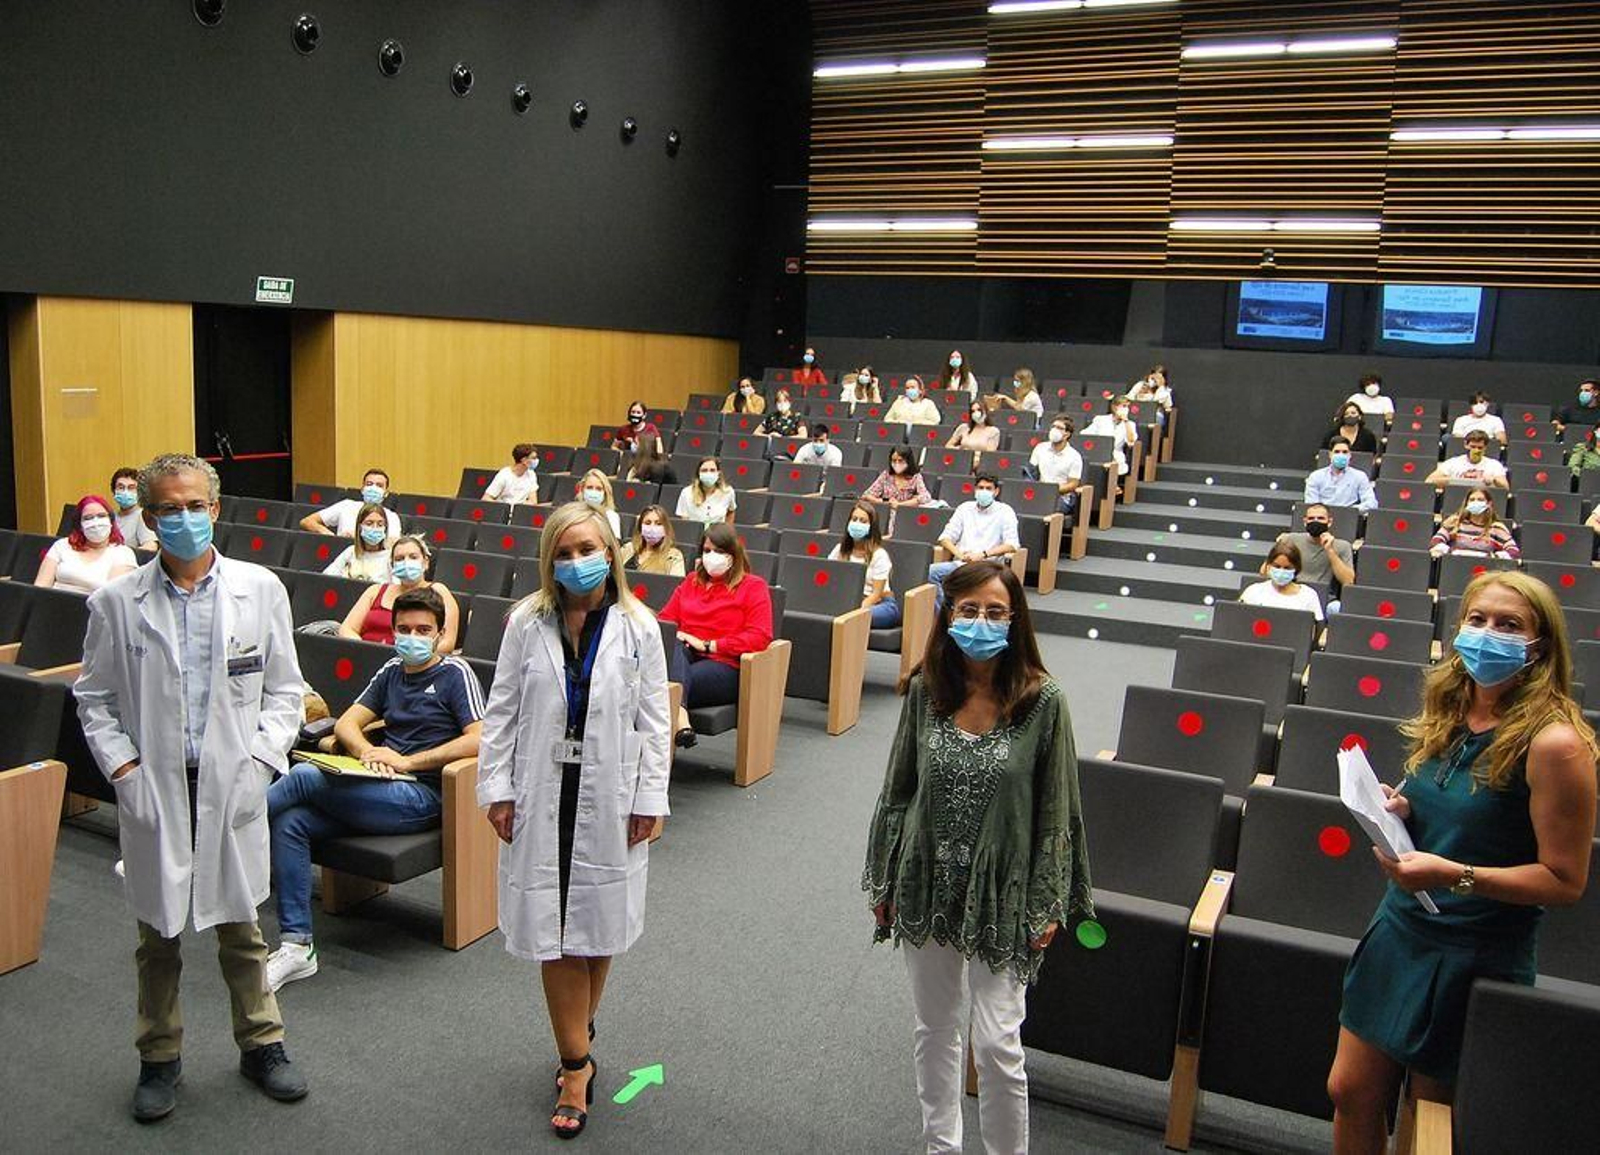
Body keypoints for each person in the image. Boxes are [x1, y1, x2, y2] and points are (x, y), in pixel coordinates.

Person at [74, 453, 309, 1119]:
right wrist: (123, 769)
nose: (184, 518)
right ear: (148, 519)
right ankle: (159, 1056)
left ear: (216, 508)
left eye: (194, 505)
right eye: (168, 509)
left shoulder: (260, 590)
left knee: (242, 926)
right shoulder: (117, 602)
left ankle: (263, 1042)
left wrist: (261, 761)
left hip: (231, 782)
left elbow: (286, 692)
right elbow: (93, 700)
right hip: (157, 785)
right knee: (159, 934)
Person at [1327, 572, 1596, 1153]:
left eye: (1508, 625)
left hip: (1474, 950)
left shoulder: (1556, 745)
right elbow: (1453, 805)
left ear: (1540, 647)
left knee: (1427, 1120)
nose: (1486, 634)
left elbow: (1565, 880)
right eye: (1477, 621)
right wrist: (1401, 807)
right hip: (1401, 929)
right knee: (1349, 1090)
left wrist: (1455, 875)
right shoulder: (1452, 707)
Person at [863, 561, 1092, 1155]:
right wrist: (887, 879)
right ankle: (941, 1144)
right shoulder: (925, 691)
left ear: (1015, 621)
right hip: (925, 877)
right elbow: (899, 790)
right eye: (968, 610)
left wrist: (1047, 899)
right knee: (935, 1028)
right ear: (949, 614)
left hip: (1005, 891)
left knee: (996, 1044)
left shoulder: (1046, 703)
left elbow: (1057, 811)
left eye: (995, 612)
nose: (981, 623)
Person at [477, 502, 672, 1139]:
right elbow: (501, 712)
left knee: (597, 922)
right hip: (539, 791)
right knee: (552, 928)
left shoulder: (639, 625)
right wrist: (497, 788)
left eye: (587, 548)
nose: (576, 562)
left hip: (611, 794)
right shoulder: (524, 623)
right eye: (563, 552)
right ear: (548, 561)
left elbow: (654, 721)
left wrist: (650, 798)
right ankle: (575, 1063)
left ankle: (577, 1026)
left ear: (610, 552)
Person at [265, 587, 484, 991]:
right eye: (404, 629)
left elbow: (480, 737)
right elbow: (348, 723)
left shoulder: (455, 674)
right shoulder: (391, 671)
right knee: (292, 821)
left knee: (306, 777)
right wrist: (368, 752)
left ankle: (206, 843)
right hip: (377, 784)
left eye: (423, 630)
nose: (412, 637)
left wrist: (408, 761)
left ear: (438, 634)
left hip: (423, 794)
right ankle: (297, 946)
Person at [658, 522, 774, 747]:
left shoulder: (753, 586)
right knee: (674, 647)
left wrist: (709, 644)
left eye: (719, 551)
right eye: (707, 550)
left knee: (658, 687)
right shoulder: (692, 581)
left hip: (726, 665)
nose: (712, 556)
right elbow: (666, 620)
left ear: (733, 554)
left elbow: (760, 637)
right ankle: (681, 718)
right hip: (684, 656)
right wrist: (682, 636)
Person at [339, 535, 462, 651]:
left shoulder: (438, 591)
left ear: (425, 563)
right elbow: (347, 628)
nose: (406, 562)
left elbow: (447, 642)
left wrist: (410, 658)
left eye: (413, 557)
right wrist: (365, 650)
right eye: (399, 559)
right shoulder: (375, 590)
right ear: (393, 566)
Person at [928, 474, 1020, 600]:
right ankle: (945, 612)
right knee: (931, 572)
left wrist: (982, 555)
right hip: (962, 563)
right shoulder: (964, 508)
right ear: (975, 490)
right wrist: (960, 555)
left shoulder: (1005, 511)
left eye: (988, 488)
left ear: (996, 491)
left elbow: (1012, 544)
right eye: (980, 488)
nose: (984, 491)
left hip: (988, 566)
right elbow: (945, 538)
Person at [36, 494, 138, 593]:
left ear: (111, 521)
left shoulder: (123, 553)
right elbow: (40, 588)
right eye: (88, 518)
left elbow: (112, 597)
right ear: (79, 525)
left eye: (101, 516)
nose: (96, 522)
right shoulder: (61, 546)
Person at [829, 502, 900, 628]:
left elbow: (876, 595)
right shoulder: (839, 550)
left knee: (851, 617)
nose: (857, 524)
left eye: (863, 521)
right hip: (847, 602)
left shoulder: (879, 555)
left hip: (879, 604)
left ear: (871, 527)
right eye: (854, 519)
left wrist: (852, 611)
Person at [1270, 502, 1355, 588]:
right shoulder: (1291, 539)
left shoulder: (1343, 546)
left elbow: (1348, 581)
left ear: (1329, 522)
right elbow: (1265, 572)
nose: (1315, 521)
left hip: (1323, 593)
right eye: (1311, 518)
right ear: (1305, 522)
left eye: (1320, 518)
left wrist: (1330, 550)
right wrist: (1278, 547)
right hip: (1293, 589)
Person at [299, 468, 401, 538]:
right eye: (369, 484)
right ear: (362, 489)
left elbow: (392, 544)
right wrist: (332, 536)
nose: (373, 488)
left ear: (386, 493)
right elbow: (307, 521)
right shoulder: (347, 505)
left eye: (379, 485)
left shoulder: (392, 517)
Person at [1238, 542, 1324, 620]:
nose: (1281, 571)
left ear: (1296, 569)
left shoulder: (1308, 595)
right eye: (1277, 566)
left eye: (1287, 568)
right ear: (1268, 565)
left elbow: (1317, 628)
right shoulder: (1253, 591)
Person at [1430, 489, 1519, 559]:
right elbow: (1435, 541)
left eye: (1480, 500)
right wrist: (1451, 552)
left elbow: (1513, 551)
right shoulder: (1454, 522)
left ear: (1489, 503)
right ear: (1467, 503)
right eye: (1472, 500)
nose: (1475, 502)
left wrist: (1492, 557)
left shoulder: (1497, 527)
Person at [321, 502, 394, 581]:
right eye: (369, 523)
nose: (375, 528)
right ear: (360, 527)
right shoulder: (350, 552)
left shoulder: (390, 557)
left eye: (380, 524)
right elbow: (327, 577)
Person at [1029, 414, 1084, 518]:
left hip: (1060, 498)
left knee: (1045, 507)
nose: (1054, 430)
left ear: (1067, 434)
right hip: (1038, 493)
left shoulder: (1075, 456)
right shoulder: (1040, 448)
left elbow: (1073, 484)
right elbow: (1031, 473)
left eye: (1059, 428)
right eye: (1053, 427)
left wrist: (1052, 490)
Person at [1305, 438, 1378, 511]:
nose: (1341, 455)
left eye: (1345, 452)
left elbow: (1371, 503)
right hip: (1322, 518)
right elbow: (1311, 503)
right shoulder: (1316, 476)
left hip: (1348, 518)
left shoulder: (1360, 476)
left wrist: (1351, 510)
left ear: (1350, 455)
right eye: (1337, 452)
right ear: (1330, 454)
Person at [1426, 430, 1509, 489]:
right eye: (1472, 447)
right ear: (1466, 445)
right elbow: (1429, 481)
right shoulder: (1453, 463)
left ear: (1485, 448)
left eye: (1480, 447)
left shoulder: (1494, 465)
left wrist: (1494, 480)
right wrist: (1452, 481)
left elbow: (1506, 487)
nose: (1476, 450)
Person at [1082, 394, 1139, 478]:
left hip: (1116, 453)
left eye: (1127, 407)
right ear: (1114, 407)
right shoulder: (1100, 419)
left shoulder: (1130, 424)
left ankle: (1112, 486)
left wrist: (1126, 421)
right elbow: (1085, 434)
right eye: (1123, 406)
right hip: (1098, 451)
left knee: (1114, 462)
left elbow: (1131, 441)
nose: (1126, 409)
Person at [621, 505, 686, 575]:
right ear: (640, 527)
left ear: (665, 528)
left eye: (658, 524)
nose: (652, 528)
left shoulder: (673, 556)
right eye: (647, 523)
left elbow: (675, 583)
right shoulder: (628, 549)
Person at [864, 447, 935, 511]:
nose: (897, 463)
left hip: (905, 514)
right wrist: (883, 501)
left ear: (908, 461)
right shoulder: (886, 475)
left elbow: (926, 497)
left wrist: (900, 505)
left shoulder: (915, 477)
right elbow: (867, 495)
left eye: (900, 460)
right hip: (885, 512)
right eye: (894, 460)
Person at [675, 457, 738, 525]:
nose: (708, 473)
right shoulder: (686, 493)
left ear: (718, 473)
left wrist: (727, 530)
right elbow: (684, 520)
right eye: (704, 470)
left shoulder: (728, 492)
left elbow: (731, 511)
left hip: (717, 534)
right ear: (698, 473)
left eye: (712, 470)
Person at [111, 467, 158, 551]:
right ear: (114, 491)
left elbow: (151, 547)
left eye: (131, 488)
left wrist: (124, 557)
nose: (125, 492)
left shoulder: (143, 516)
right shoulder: (110, 517)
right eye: (121, 487)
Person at [575, 469, 623, 538]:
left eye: (598, 489)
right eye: (589, 487)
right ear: (582, 489)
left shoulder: (611, 516)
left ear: (605, 493)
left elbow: (615, 544)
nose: (593, 492)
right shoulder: (573, 513)